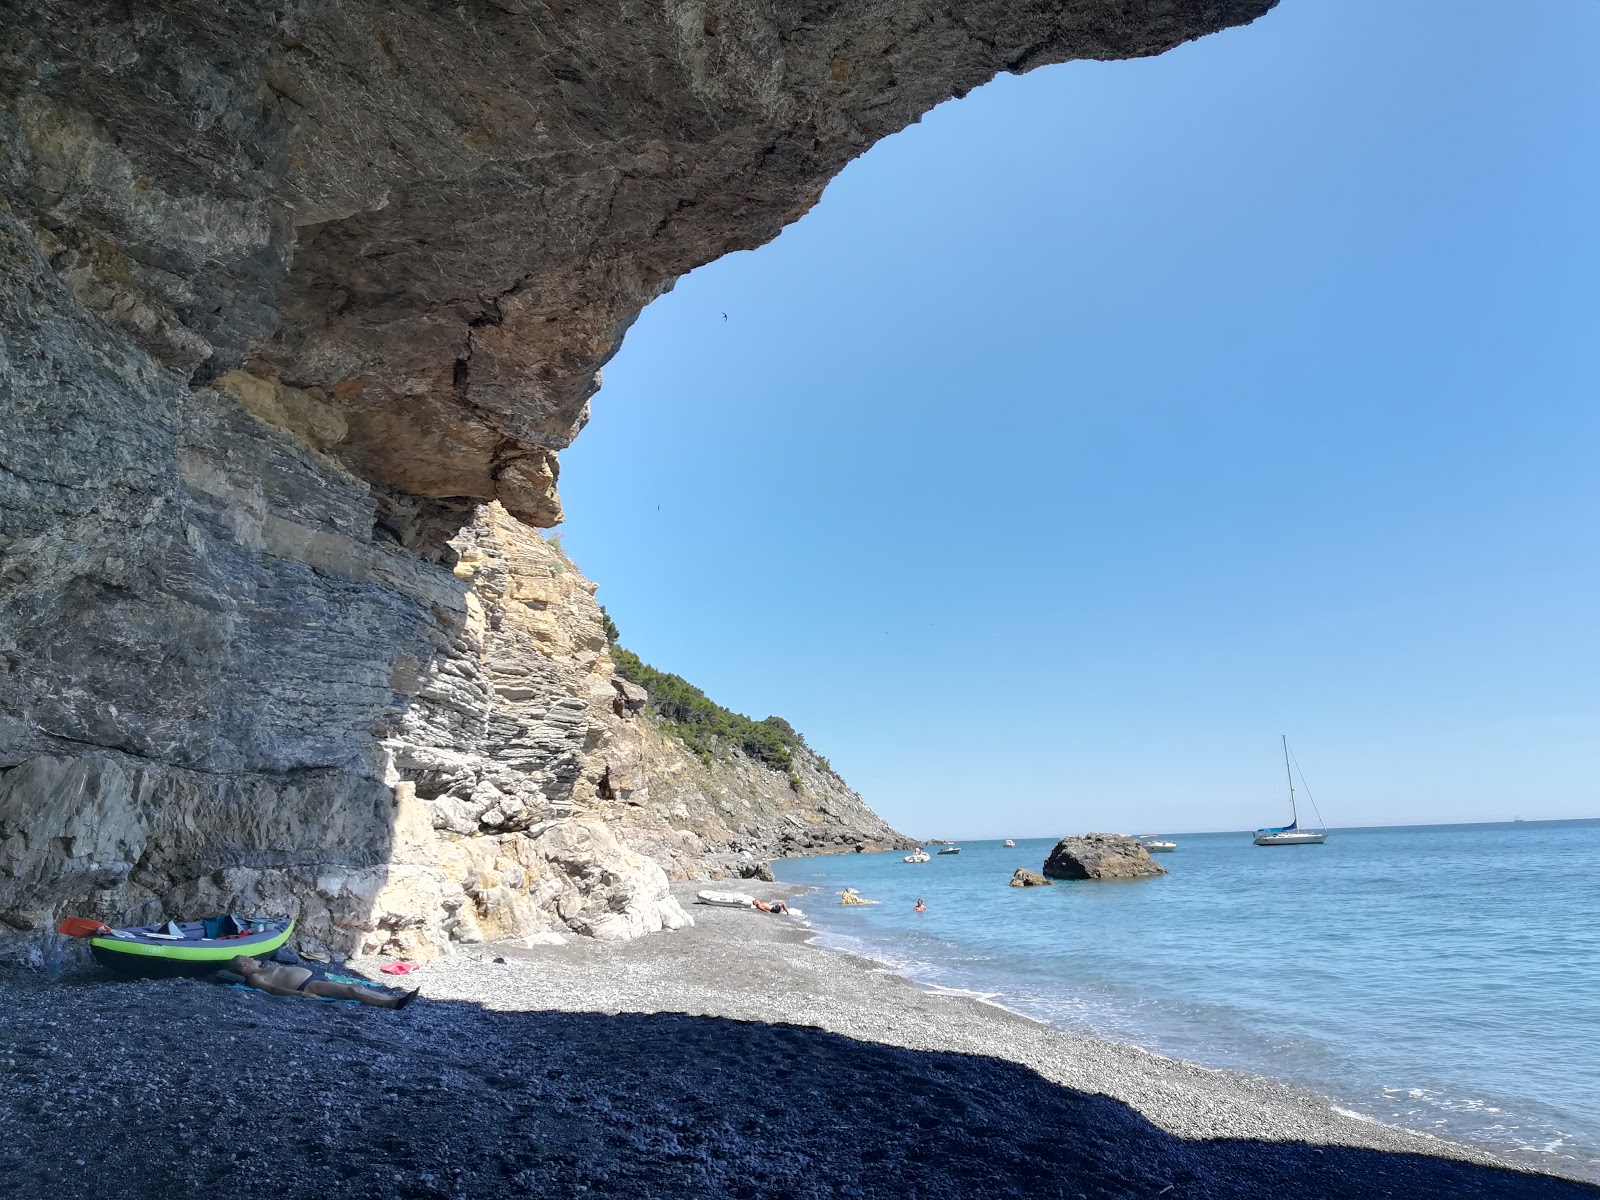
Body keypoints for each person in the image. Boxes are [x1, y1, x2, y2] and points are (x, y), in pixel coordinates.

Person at [231, 955, 420, 1010]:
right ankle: (393, 1004)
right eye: (251, 958)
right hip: (306, 986)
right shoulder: (255, 978)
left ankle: (395, 998)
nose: (256, 959)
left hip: (312, 979)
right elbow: (273, 989)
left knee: (356, 987)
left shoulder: (263, 969)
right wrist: (302, 995)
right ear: (245, 964)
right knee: (351, 992)